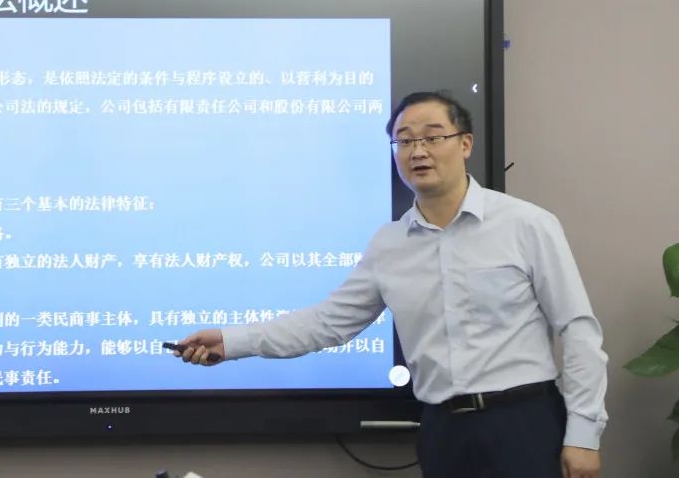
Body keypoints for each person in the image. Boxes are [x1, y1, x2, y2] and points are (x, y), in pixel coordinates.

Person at [173, 91, 606, 478]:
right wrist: (232, 341)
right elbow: (327, 323)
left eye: (433, 136)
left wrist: (584, 434)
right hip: (443, 429)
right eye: (405, 140)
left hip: (523, 422)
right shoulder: (390, 244)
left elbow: (578, 329)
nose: (418, 150)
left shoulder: (526, 224)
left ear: (465, 144)